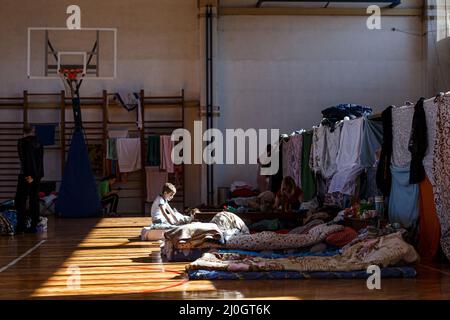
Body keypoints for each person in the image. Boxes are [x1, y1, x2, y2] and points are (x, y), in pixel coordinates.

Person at [15, 124, 44, 233]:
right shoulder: (40, 143)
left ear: (24, 131)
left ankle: (21, 225)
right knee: (34, 199)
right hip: (37, 176)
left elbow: (24, 160)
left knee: (20, 200)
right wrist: (37, 176)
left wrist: (28, 176)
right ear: (34, 131)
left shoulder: (22, 142)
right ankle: (34, 225)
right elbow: (40, 161)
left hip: (27, 175)